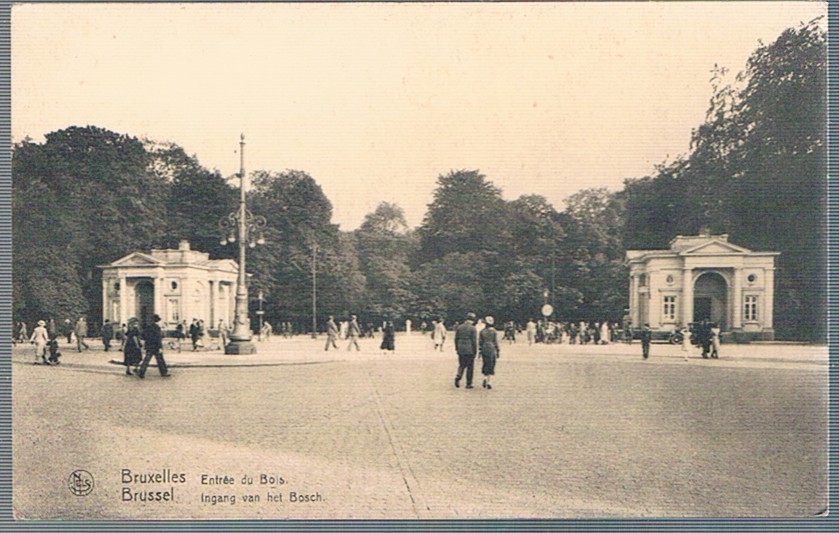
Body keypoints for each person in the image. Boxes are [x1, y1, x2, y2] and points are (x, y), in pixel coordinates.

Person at [137, 314, 170, 378]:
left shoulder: (148, 327)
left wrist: (148, 341)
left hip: (149, 346)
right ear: (157, 321)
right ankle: (164, 372)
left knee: (146, 360)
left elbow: (143, 336)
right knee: (160, 360)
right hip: (156, 347)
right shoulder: (157, 328)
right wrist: (160, 347)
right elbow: (158, 338)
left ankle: (141, 372)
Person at [454, 312, 478, 389]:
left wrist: (457, 348)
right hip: (469, 349)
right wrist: (475, 351)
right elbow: (474, 340)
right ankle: (468, 383)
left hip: (461, 348)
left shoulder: (460, 327)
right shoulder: (473, 328)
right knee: (470, 367)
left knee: (461, 364)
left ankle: (458, 375)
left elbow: (456, 339)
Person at [479, 316, 500, 389]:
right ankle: (489, 381)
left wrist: (480, 350)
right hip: (491, 348)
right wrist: (498, 350)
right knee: (491, 363)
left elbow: (480, 342)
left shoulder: (482, 331)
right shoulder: (494, 331)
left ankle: (485, 377)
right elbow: (496, 341)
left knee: (485, 363)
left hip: (484, 348)